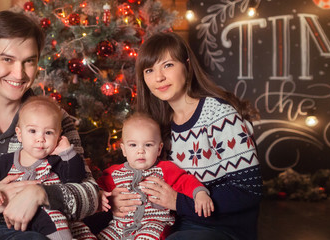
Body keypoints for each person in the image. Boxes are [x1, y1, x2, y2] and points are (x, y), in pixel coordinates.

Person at [0, 10, 99, 239]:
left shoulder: (56, 119)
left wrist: (40, 194)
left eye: (29, 62)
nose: (19, 73)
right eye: (7, 59)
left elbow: (90, 196)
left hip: (18, 231)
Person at [110, 32, 263, 240]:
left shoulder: (219, 115)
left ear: (187, 65)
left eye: (168, 65)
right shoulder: (159, 125)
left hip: (222, 228)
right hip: (167, 224)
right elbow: (143, 177)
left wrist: (178, 202)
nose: (159, 77)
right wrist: (118, 199)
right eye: (149, 70)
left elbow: (248, 190)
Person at [0, 96, 96, 240]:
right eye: (32, 131)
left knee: (73, 227)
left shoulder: (56, 160)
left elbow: (75, 178)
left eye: (48, 133)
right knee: (47, 220)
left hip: (58, 215)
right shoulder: (8, 161)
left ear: (59, 135)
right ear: (19, 134)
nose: (40, 139)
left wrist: (67, 152)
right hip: (23, 221)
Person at [96, 112, 214, 240]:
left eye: (148, 145)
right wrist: (100, 195)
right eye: (133, 145)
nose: (140, 150)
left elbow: (185, 181)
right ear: (124, 149)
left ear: (159, 149)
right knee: (102, 237)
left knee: (146, 237)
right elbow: (95, 189)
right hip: (119, 226)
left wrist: (200, 193)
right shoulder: (114, 173)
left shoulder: (165, 169)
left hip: (154, 224)